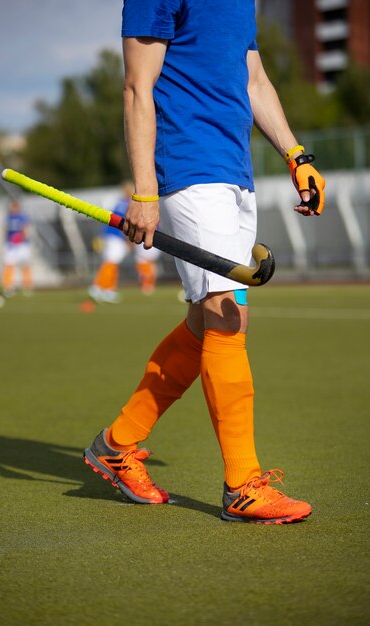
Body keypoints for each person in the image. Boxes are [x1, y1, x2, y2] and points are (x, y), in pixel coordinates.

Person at [83, 0, 325, 523]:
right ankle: (242, 485)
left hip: (235, 169)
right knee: (227, 315)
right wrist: (145, 190)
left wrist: (296, 155)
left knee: (204, 320)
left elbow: (253, 79)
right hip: (188, 166)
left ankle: (115, 445)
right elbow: (136, 86)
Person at [89, 181, 160, 303]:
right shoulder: (127, 204)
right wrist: (129, 241)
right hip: (116, 237)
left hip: (112, 236)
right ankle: (99, 287)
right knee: (112, 261)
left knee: (112, 262)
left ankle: (107, 288)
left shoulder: (119, 202)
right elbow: (126, 224)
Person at [2, 199, 33, 296]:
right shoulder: (8, 217)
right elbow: (5, 231)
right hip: (11, 244)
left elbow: (26, 229)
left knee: (25, 264)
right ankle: (8, 286)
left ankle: (27, 286)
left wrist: (20, 238)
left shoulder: (23, 217)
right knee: (9, 264)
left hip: (22, 244)